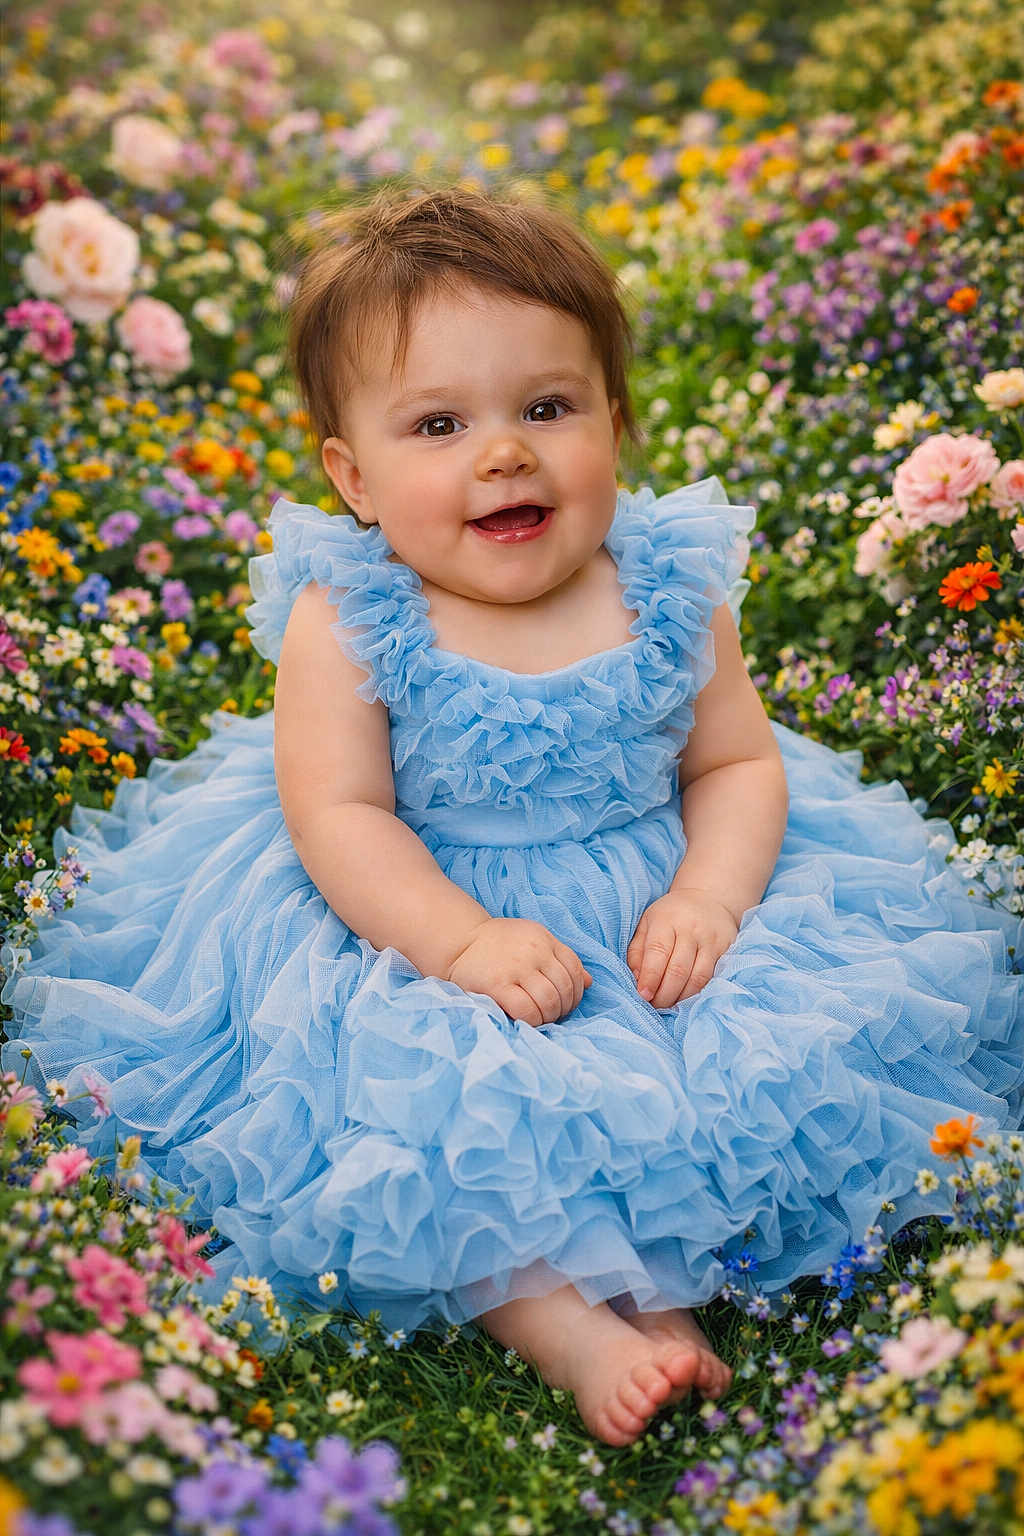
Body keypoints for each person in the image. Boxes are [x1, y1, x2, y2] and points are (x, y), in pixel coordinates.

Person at [3, 188, 1022, 1448]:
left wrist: (709, 897)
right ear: (354, 477)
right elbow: (339, 813)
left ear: (614, 419)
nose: (503, 454)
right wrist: (462, 942)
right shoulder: (349, 617)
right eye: (439, 424)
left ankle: (660, 1290)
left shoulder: (665, 583)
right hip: (410, 906)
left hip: (650, 888)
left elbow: (736, 766)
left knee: (729, 1063)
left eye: (547, 407)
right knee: (443, 1110)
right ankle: (576, 1330)